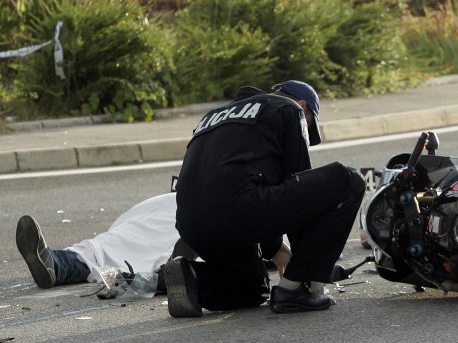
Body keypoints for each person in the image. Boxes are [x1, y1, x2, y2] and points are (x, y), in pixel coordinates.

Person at [164, 80, 365, 317]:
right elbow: (298, 188)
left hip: (191, 225)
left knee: (252, 288)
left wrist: (275, 248)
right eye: (309, 128)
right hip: (238, 211)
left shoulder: (213, 115)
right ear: (304, 106)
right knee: (348, 179)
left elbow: (240, 179)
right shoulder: (289, 108)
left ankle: (195, 277)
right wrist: (304, 274)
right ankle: (295, 291)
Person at [15, 193, 291, 292]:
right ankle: (165, 276)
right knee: (121, 244)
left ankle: (59, 264)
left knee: (110, 245)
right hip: (199, 214)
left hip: (181, 205)